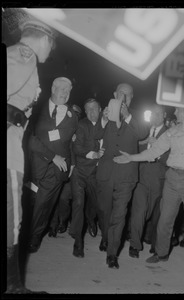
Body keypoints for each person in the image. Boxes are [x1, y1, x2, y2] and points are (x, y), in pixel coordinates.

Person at [114, 107, 184, 285]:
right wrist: (131, 157)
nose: (175, 113)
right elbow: (153, 152)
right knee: (164, 221)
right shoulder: (172, 132)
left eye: (178, 110)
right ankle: (161, 253)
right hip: (172, 178)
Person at [6, 19, 56, 294]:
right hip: (7, 153)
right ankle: (12, 286)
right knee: (11, 220)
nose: (52, 51)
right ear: (44, 39)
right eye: (53, 44)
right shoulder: (24, 57)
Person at [95, 83, 148, 268]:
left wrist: (127, 117)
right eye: (121, 93)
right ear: (114, 94)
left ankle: (112, 254)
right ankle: (105, 236)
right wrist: (102, 119)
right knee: (103, 210)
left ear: (132, 98)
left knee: (119, 214)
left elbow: (142, 133)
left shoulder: (137, 116)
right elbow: (95, 134)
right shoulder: (105, 112)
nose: (124, 97)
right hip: (106, 172)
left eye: (128, 95)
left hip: (126, 174)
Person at [27, 77, 78, 253]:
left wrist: (72, 164)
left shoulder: (73, 115)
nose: (65, 93)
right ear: (53, 88)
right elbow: (30, 139)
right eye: (62, 89)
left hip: (57, 169)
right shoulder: (35, 109)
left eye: (68, 91)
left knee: (43, 205)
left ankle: (32, 238)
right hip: (33, 166)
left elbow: (70, 143)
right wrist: (52, 156)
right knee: (30, 204)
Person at [129, 104, 169, 258]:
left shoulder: (169, 133)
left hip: (159, 178)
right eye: (153, 114)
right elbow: (133, 146)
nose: (155, 117)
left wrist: (156, 151)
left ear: (164, 116)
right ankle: (134, 244)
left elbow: (171, 157)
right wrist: (145, 142)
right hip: (141, 176)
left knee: (155, 214)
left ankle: (155, 243)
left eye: (159, 114)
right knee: (139, 211)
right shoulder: (143, 130)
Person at [69, 98, 104, 258]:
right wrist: (94, 154)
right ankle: (78, 242)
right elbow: (77, 147)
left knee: (97, 204)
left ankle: (91, 219)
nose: (91, 112)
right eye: (88, 109)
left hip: (97, 173)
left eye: (94, 109)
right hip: (81, 172)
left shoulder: (108, 124)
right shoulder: (82, 124)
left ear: (100, 109)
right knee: (78, 203)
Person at [48, 104, 82, 236]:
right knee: (53, 197)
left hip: (73, 169)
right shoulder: (58, 126)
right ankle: (52, 225)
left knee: (63, 198)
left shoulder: (79, 130)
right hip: (57, 165)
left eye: (76, 114)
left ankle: (63, 221)